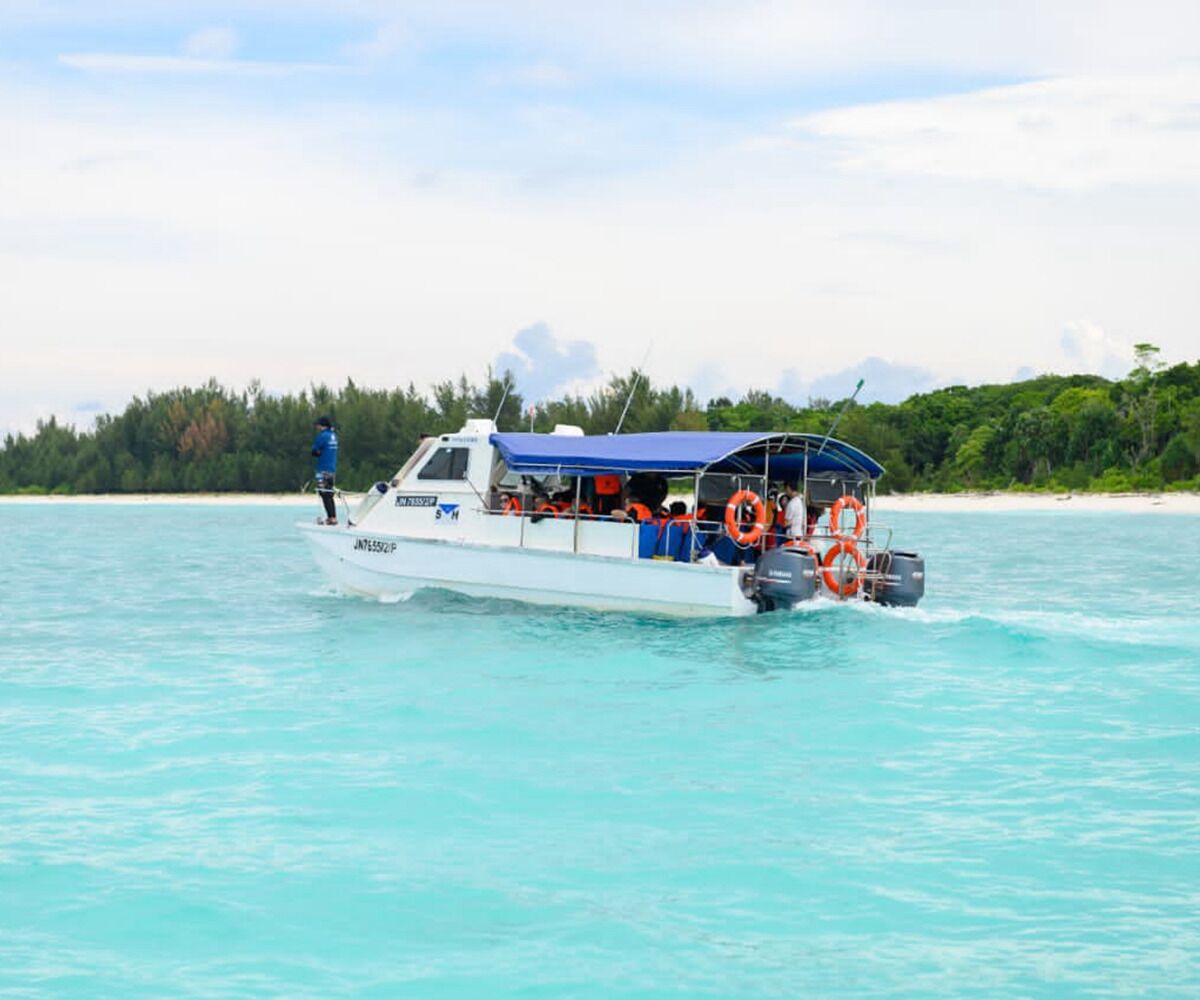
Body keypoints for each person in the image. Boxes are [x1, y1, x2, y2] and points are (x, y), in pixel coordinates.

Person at [311, 415, 339, 524]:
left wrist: (319, 453)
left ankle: (331, 518)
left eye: (318, 425)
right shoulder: (334, 436)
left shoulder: (322, 436)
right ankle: (332, 516)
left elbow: (314, 451)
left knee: (324, 493)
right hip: (332, 469)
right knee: (329, 494)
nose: (317, 427)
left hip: (322, 469)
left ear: (322, 426)